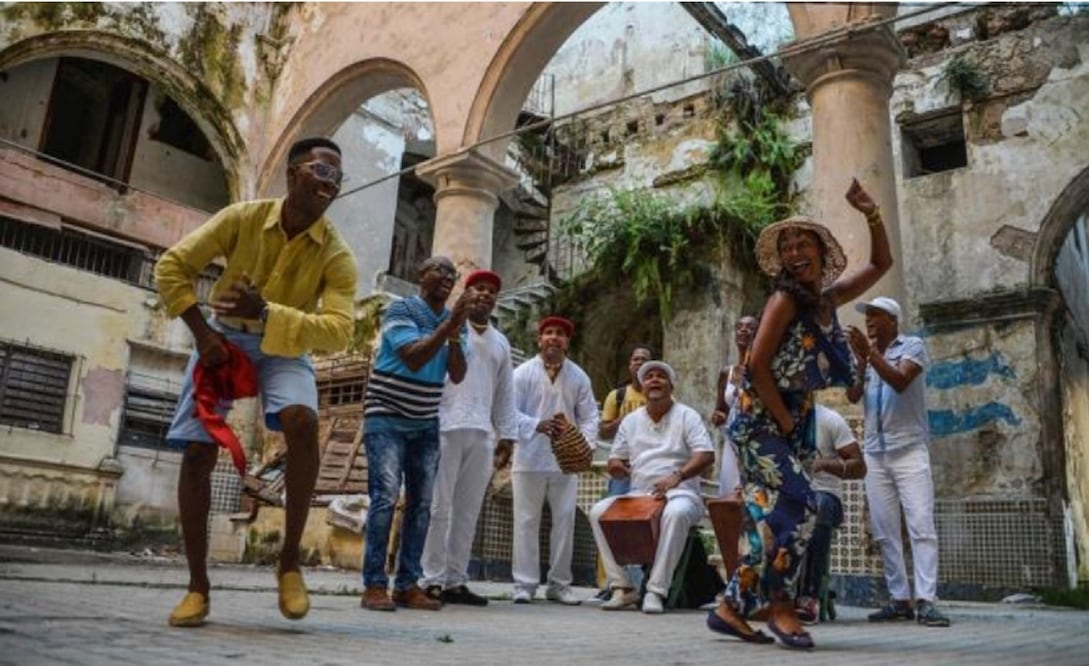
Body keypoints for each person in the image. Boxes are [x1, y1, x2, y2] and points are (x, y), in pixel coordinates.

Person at [155, 137, 358, 627]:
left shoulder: (336, 254)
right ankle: (197, 588)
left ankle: (288, 562)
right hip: (221, 337)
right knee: (199, 452)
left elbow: (339, 330)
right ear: (293, 175)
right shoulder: (241, 218)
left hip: (284, 345)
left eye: (338, 177)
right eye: (322, 171)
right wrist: (204, 335)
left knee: (303, 420)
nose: (330, 183)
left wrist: (265, 311)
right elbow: (171, 268)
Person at [706, 178, 891, 650]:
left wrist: (871, 213)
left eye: (802, 242)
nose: (794, 252)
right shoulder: (784, 299)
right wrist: (786, 426)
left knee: (772, 519)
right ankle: (781, 607)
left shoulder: (825, 299)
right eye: (786, 247)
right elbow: (756, 366)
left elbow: (881, 264)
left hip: (797, 417)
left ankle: (730, 608)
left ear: (819, 251)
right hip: (760, 420)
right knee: (803, 503)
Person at [360, 255, 472, 612]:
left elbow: (456, 374)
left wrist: (455, 334)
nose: (448, 277)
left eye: (452, 274)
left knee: (422, 505)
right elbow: (412, 357)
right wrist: (449, 325)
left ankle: (407, 585)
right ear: (420, 274)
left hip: (425, 418)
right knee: (385, 498)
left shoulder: (456, 322)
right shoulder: (400, 310)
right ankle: (374, 585)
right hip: (387, 415)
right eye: (440, 270)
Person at [846, 296, 951, 628]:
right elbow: (852, 396)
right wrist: (861, 362)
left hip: (908, 449)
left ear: (892, 319)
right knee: (885, 530)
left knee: (920, 526)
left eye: (876, 316)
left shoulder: (913, 346)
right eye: (868, 317)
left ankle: (927, 601)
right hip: (876, 452)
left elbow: (901, 380)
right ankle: (900, 599)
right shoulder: (868, 355)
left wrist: (870, 353)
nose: (870, 321)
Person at [419, 269, 518, 607]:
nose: (485, 294)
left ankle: (455, 580)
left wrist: (508, 435)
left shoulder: (501, 342)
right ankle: (430, 579)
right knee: (438, 506)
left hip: (482, 433)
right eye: (479, 288)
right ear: (467, 292)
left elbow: (506, 393)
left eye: (491, 291)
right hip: (444, 425)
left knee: (468, 509)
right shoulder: (447, 327)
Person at [590, 361, 715, 614]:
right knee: (598, 512)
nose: (655, 380)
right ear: (642, 386)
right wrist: (616, 467)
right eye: (649, 377)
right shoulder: (630, 421)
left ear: (671, 385)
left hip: (682, 493)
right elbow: (616, 458)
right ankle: (623, 588)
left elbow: (706, 454)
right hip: (640, 495)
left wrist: (676, 477)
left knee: (675, 513)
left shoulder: (686, 415)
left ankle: (656, 590)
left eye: (661, 376)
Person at [510, 315, 599, 605]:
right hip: (528, 456)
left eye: (560, 333)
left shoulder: (578, 376)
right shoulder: (522, 373)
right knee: (525, 520)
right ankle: (524, 584)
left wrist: (584, 445)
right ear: (540, 339)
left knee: (565, 520)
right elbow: (508, 412)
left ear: (567, 342)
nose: (553, 337)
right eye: (548, 332)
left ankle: (559, 584)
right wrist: (536, 424)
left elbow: (589, 417)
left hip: (566, 460)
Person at [794, 404, 866, 622]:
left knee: (817, 506)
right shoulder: (775, 418)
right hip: (789, 494)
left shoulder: (829, 420)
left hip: (824, 494)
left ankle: (809, 596)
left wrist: (825, 464)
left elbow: (860, 467)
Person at [710, 316, 758, 497]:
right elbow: (722, 409)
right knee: (729, 498)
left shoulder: (763, 369)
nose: (743, 330)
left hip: (756, 441)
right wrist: (719, 416)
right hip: (732, 443)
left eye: (750, 327)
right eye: (739, 327)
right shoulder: (726, 372)